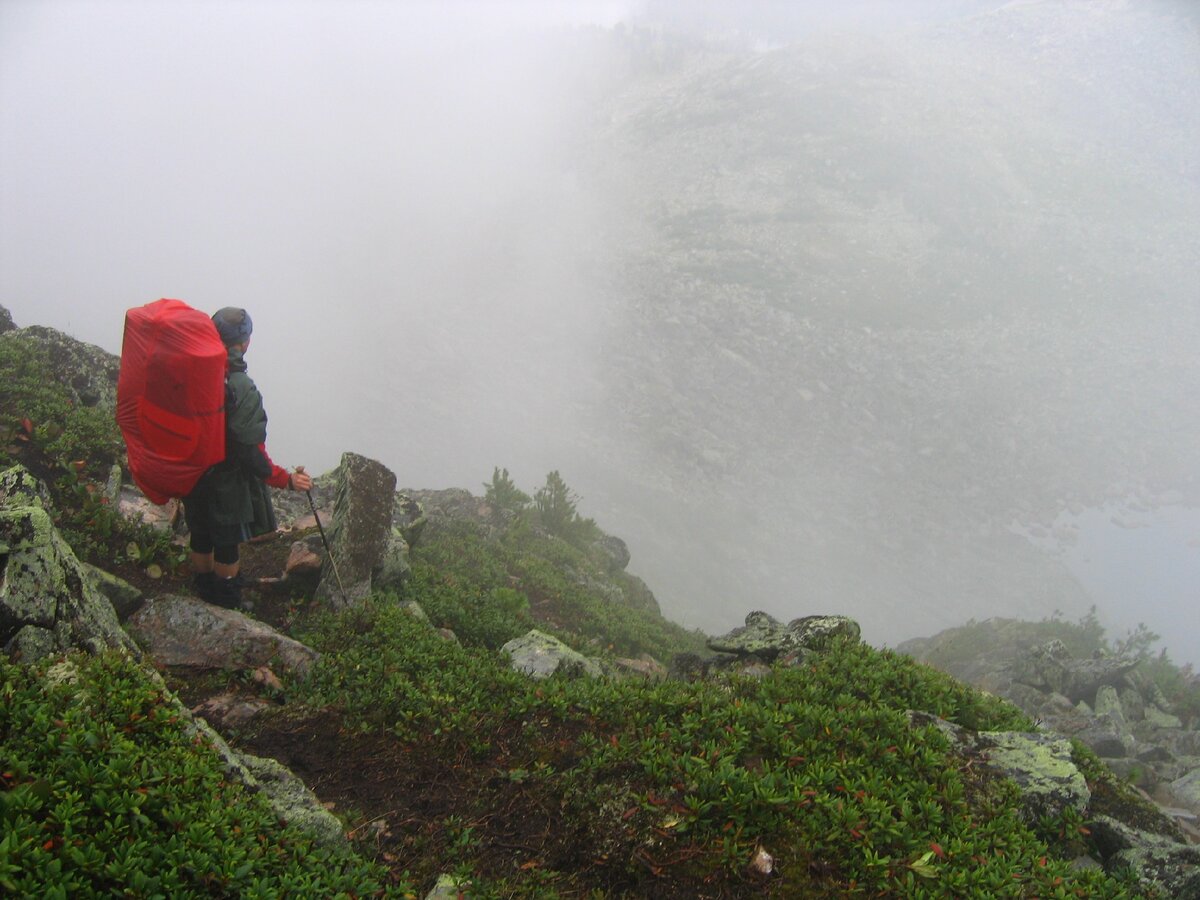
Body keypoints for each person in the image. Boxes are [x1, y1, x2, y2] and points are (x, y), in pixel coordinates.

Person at [183, 307, 313, 608]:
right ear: (245, 342)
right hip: (226, 481)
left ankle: (203, 587)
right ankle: (226, 602)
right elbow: (249, 451)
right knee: (226, 543)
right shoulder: (241, 386)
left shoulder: (192, 369)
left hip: (192, 470)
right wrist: (287, 480)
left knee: (200, 531)